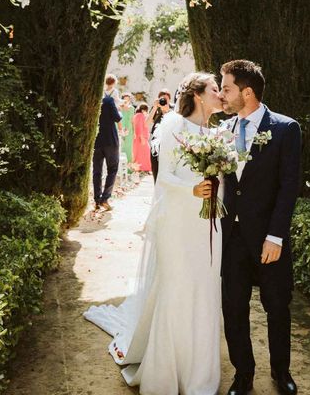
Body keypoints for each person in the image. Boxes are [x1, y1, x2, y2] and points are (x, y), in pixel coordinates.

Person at [84, 72, 225, 395]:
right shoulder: (175, 125)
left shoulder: (218, 133)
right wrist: (193, 188)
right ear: (199, 96)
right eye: (214, 88)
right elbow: (165, 180)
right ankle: (167, 371)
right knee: (177, 290)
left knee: (204, 292)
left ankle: (198, 374)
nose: (220, 93)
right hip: (178, 223)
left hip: (208, 224)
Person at [219, 60, 301, 395]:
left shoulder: (285, 129)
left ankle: (282, 373)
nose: (222, 95)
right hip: (232, 239)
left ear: (247, 92)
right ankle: (244, 373)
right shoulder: (222, 132)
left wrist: (275, 236)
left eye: (226, 88)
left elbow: (289, 187)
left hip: (269, 239)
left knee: (277, 307)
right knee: (233, 308)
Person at [93, 78, 123, 211]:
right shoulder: (109, 101)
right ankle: (105, 198)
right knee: (112, 169)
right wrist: (120, 110)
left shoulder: (94, 100)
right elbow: (117, 118)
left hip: (97, 140)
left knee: (97, 171)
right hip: (110, 140)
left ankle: (97, 199)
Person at [146, 89, 173, 182]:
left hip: (168, 143)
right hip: (155, 144)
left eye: (166, 99)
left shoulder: (173, 109)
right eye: (162, 99)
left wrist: (167, 110)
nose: (164, 101)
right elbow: (146, 124)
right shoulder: (156, 110)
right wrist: (154, 107)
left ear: (169, 100)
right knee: (155, 168)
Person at [132, 103, 152, 173]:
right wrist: (142, 137)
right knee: (145, 154)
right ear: (143, 110)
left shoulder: (136, 115)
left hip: (138, 138)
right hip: (141, 138)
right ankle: (144, 169)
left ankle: (141, 169)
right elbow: (139, 127)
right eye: (147, 111)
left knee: (140, 154)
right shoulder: (140, 116)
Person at [120, 93, 135, 165]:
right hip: (120, 130)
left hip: (129, 131)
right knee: (120, 148)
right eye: (125, 100)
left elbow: (132, 121)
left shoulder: (131, 108)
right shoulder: (119, 108)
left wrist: (133, 132)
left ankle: (128, 168)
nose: (126, 101)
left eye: (128, 100)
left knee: (128, 149)